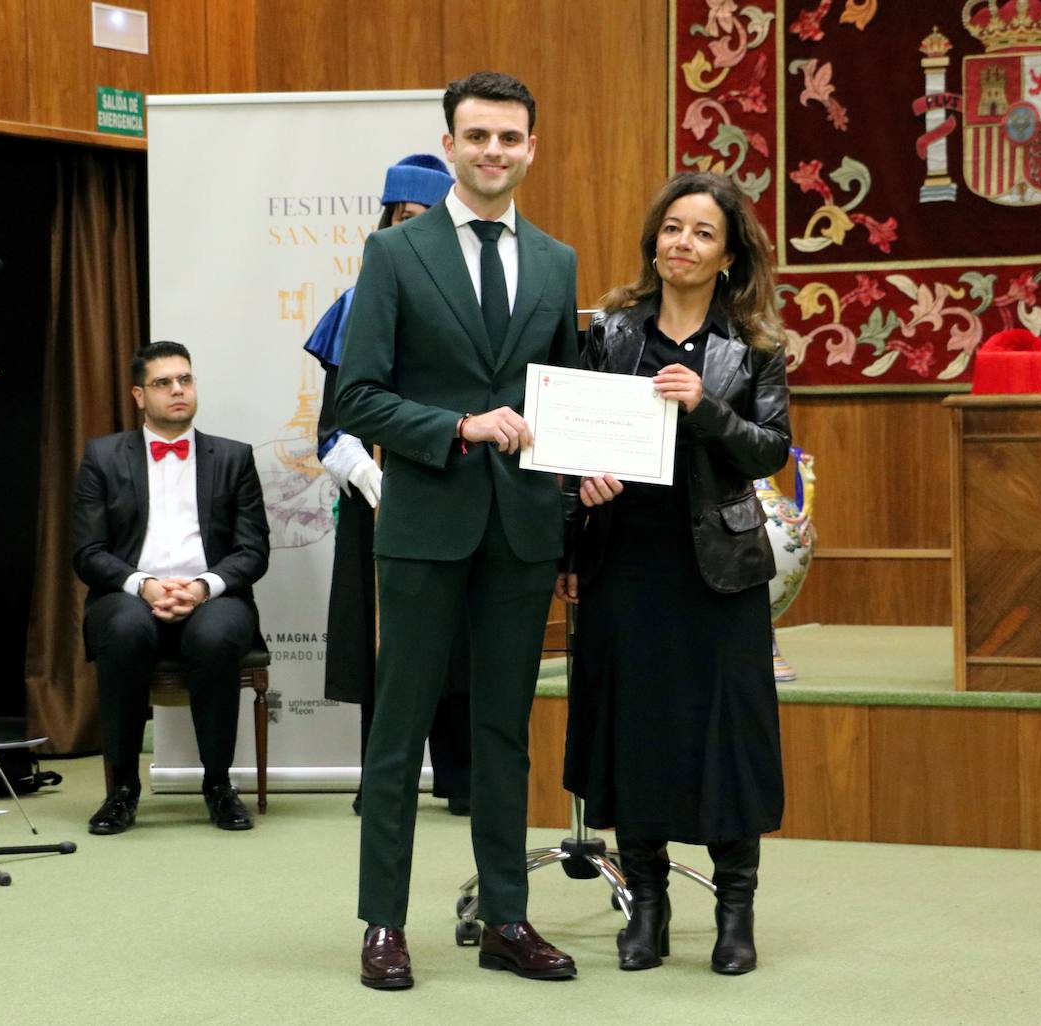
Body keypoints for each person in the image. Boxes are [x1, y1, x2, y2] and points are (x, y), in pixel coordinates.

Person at [336, 72, 580, 990]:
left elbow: (562, 400)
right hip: (426, 524)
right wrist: (458, 429)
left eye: (509, 138)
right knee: (399, 730)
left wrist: (587, 462)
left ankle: (508, 918)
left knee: (504, 734)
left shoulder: (557, 262)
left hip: (522, 531)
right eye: (476, 136)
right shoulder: (395, 255)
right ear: (449, 146)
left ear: (530, 149)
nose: (492, 152)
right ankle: (383, 924)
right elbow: (355, 396)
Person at [559, 171, 790, 975]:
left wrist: (706, 406)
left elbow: (769, 450)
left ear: (728, 257)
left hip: (718, 571)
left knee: (726, 736)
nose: (682, 243)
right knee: (637, 736)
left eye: (701, 233)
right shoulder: (609, 334)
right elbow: (570, 439)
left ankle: (735, 912)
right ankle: (647, 907)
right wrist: (578, 482)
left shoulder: (754, 346)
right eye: (672, 228)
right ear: (653, 241)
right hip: (625, 562)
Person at [303, 154, 471, 818]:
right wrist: (372, 475)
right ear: (386, 225)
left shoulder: (472, 308)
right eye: (403, 219)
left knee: (458, 640)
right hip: (380, 504)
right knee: (386, 646)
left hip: (454, 491)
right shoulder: (357, 305)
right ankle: (384, 780)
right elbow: (331, 427)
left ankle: (462, 777)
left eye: (427, 220)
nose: (413, 230)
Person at [71, 340, 270, 834]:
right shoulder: (102, 456)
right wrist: (144, 586)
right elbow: (88, 552)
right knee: (124, 629)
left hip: (213, 597)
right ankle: (121, 790)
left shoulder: (233, 457)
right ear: (140, 395)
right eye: (163, 383)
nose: (178, 390)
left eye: (185, 379)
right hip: (129, 596)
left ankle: (220, 787)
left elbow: (253, 551)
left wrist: (202, 588)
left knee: (216, 634)